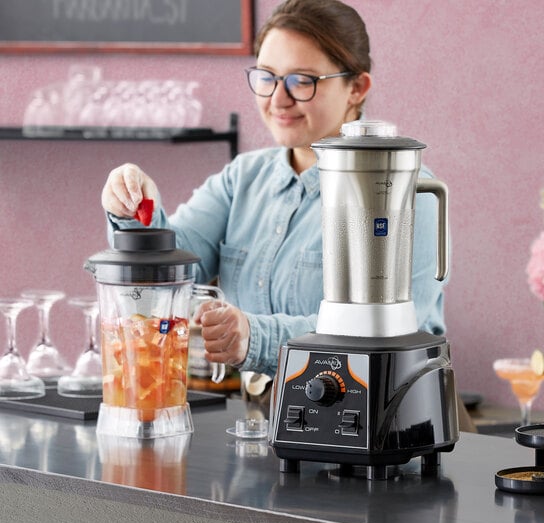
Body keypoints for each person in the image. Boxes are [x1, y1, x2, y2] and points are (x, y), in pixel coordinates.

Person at [100, 0, 446, 382]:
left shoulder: (400, 190)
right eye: (267, 77)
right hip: (260, 417)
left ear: (357, 88)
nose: (278, 99)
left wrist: (254, 337)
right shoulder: (243, 178)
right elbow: (165, 277)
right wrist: (132, 210)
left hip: (378, 416)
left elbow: (385, 328)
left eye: (302, 81)